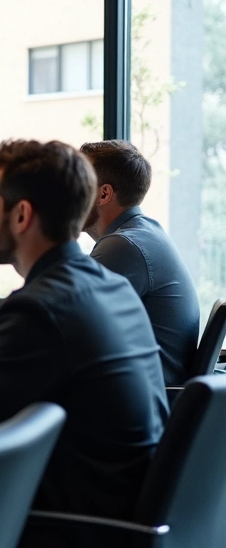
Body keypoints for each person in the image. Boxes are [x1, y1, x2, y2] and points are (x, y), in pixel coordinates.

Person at [0, 140, 168, 548]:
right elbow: (1, 408)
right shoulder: (109, 288)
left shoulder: (38, 307)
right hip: (127, 522)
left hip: (78, 539)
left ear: (21, 215)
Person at [81, 139, 199, 388]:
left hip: (133, 405)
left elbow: (60, 325)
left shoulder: (124, 246)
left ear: (103, 194)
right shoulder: (142, 233)